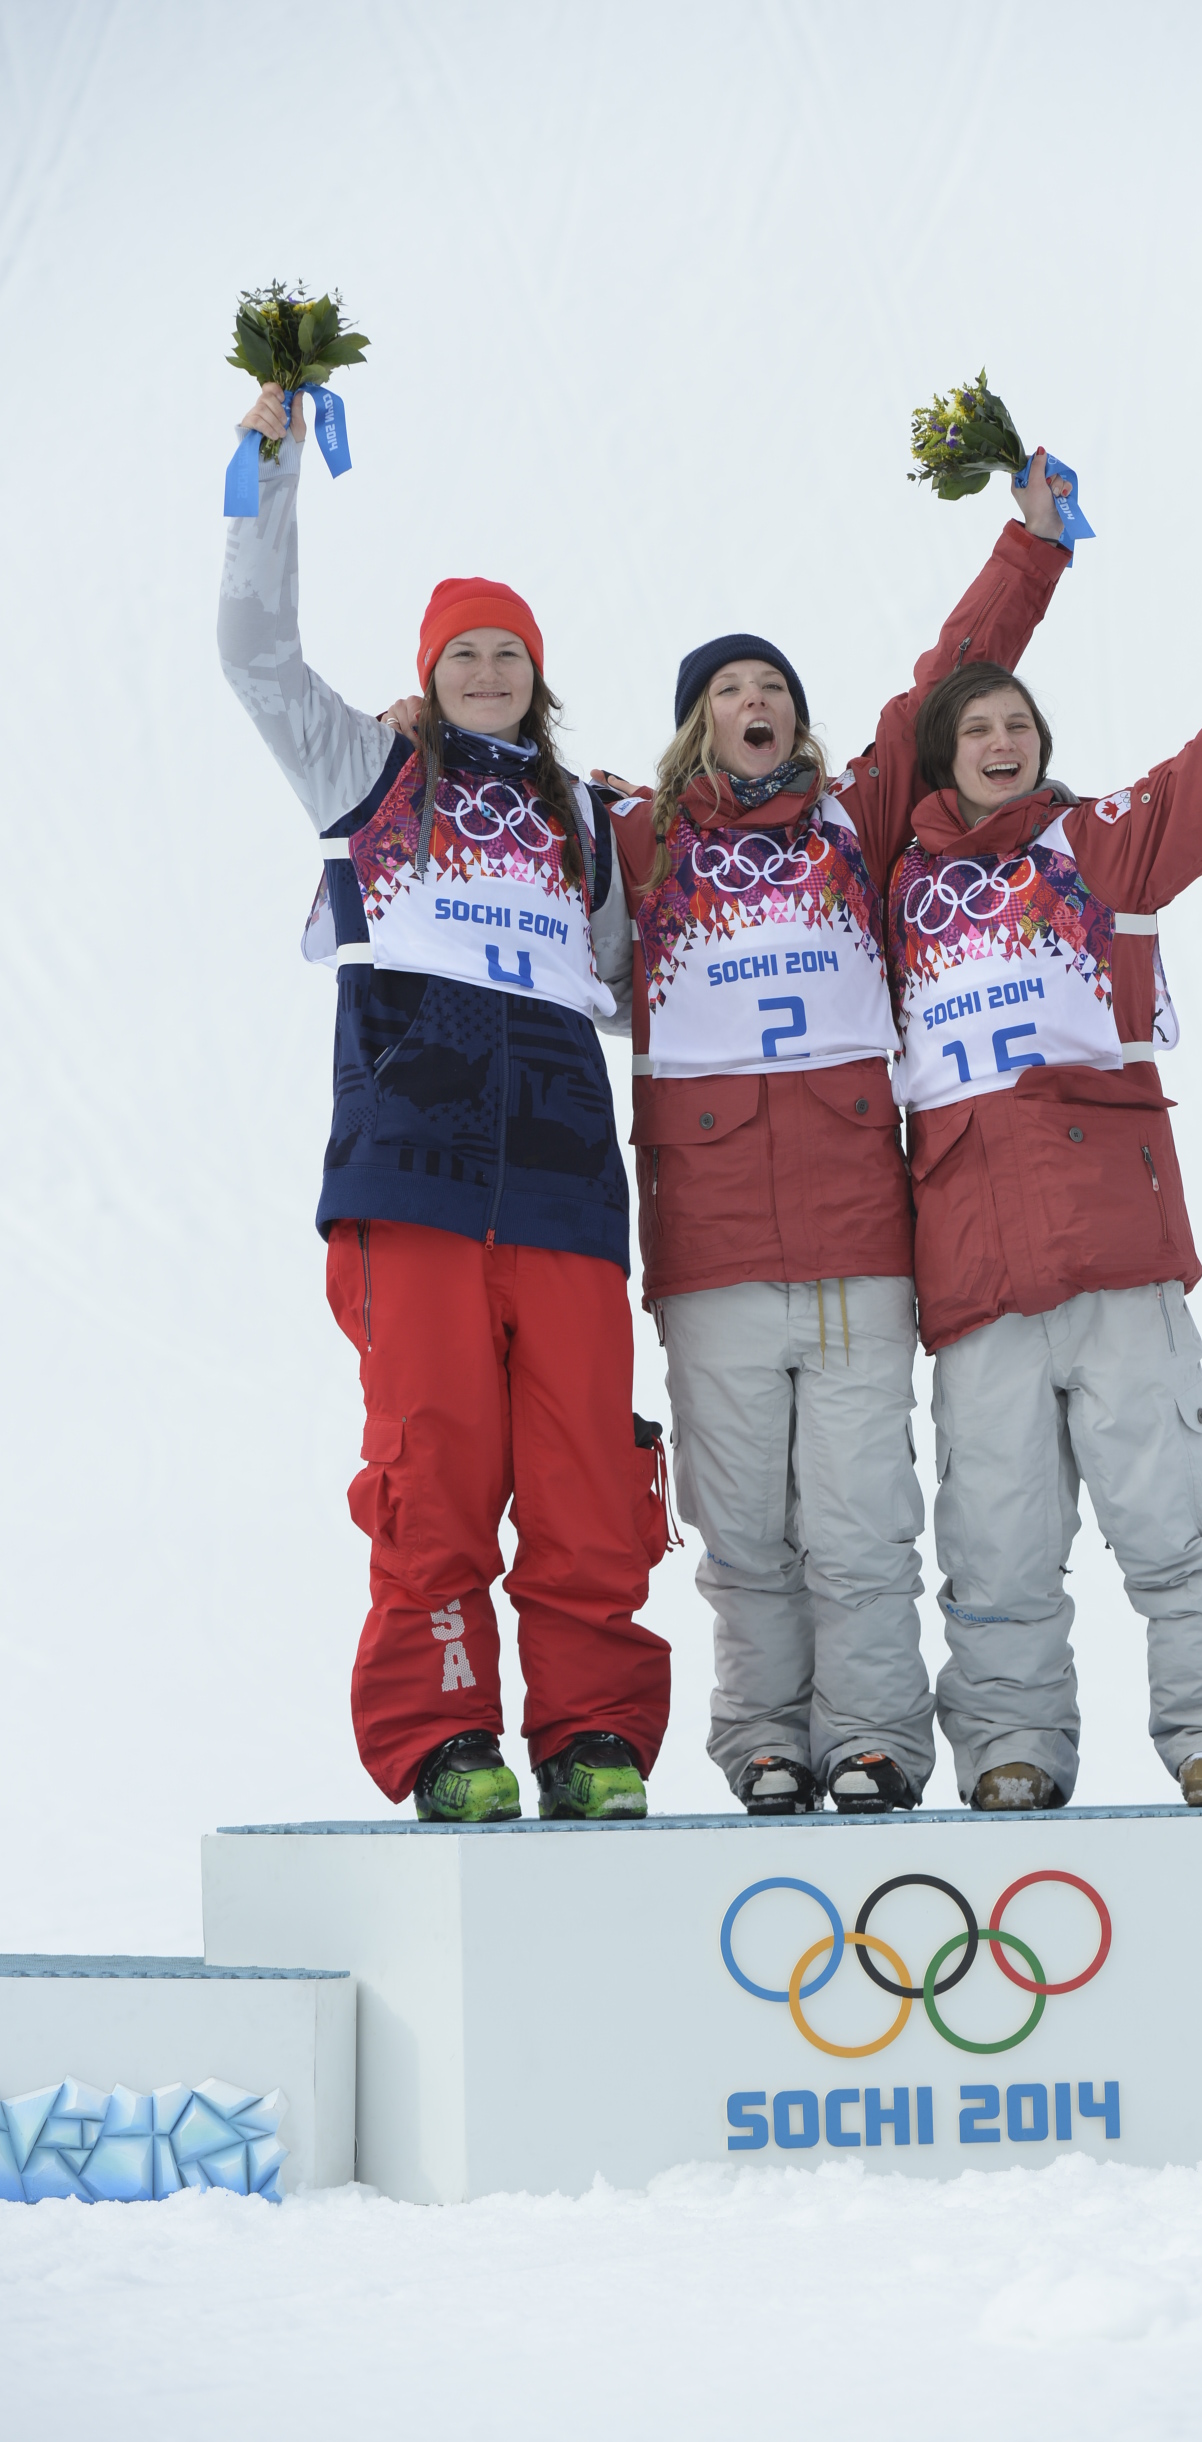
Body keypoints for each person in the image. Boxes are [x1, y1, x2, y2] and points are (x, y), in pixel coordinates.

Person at [885, 548, 1202, 1810]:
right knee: (993, 1541)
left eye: (1020, 725)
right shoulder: (886, 888)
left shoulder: (1095, 851)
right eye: (979, 728)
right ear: (941, 755)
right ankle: (1010, 1752)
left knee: (1169, 1511)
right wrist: (1023, 548)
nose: (1000, 741)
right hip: (969, 1275)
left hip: (1110, 1247)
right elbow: (910, 698)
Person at [218, 381, 671, 1824]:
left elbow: (631, 983)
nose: (487, 671)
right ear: (430, 670)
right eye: (464, 653)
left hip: (565, 1187)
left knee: (594, 1468)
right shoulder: (373, 774)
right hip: (409, 1174)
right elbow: (257, 653)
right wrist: (273, 473)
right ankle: (446, 1737)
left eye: (509, 654)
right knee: (433, 1464)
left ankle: (594, 1734)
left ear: (539, 677)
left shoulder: (587, 820)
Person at [600, 459, 1073, 1813]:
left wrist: (1028, 549)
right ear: (697, 726)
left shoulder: (850, 826)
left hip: (861, 1238)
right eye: (730, 694)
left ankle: (872, 1739)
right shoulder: (636, 839)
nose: (758, 707)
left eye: (775, 691)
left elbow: (951, 678)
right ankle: (761, 1737)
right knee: (743, 1534)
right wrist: (422, 728)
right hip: (706, 1248)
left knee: (864, 1524)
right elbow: (493, 786)